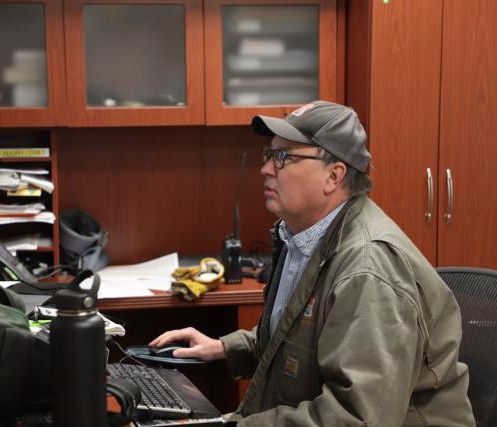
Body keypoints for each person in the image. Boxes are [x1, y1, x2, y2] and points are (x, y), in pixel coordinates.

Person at [151, 101, 475, 426]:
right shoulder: (304, 238)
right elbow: (298, 336)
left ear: (333, 176)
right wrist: (224, 347)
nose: (265, 168)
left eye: (283, 157)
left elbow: (357, 418)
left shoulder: (367, 269)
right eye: (269, 154)